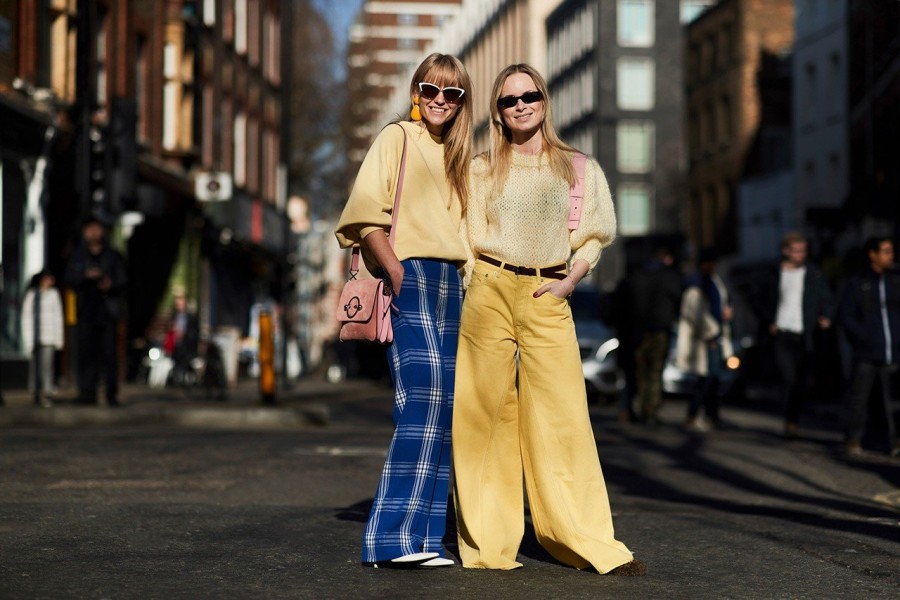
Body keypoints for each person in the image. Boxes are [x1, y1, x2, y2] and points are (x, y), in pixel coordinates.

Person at [453, 63, 644, 576]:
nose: (520, 106)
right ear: (497, 110)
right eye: (508, 100)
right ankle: (489, 545)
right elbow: (465, 235)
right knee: (484, 417)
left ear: (544, 100)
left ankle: (584, 540)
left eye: (528, 96)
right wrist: (476, 279)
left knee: (563, 418)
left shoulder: (577, 167)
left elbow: (596, 233)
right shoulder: (478, 168)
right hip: (489, 290)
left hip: (547, 293)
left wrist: (570, 280)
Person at [334, 53, 473, 569]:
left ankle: (424, 539)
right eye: (430, 90)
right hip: (412, 276)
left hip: (453, 285)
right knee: (422, 403)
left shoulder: (458, 154)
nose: (440, 100)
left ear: (462, 102)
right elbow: (365, 214)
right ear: (416, 92)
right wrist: (398, 273)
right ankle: (391, 539)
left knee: (444, 411)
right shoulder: (397, 137)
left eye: (452, 93)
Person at [759, 232, 834, 439]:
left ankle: (793, 420)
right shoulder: (774, 273)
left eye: (803, 250)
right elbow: (759, 299)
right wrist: (768, 322)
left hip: (804, 334)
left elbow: (826, 298)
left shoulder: (813, 273)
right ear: (786, 251)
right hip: (782, 334)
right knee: (788, 377)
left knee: (802, 380)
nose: (801, 254)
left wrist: (825, 316)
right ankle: (789, 420)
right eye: (796, 250)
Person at [837, 237, 900, 457]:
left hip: (893, 350)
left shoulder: (894, 281)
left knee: (892, 401)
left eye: (891, 251)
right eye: (885, 251)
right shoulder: (858, 283)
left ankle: (893, 441)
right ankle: (853, 438)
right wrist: (865, 337)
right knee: (859, 398)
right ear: (872, 254)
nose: (890, 256)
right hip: (866, 351)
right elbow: (846, 316)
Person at [64, 217, 127, 406]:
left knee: (109, 354)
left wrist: (110, 284)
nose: (93, 233)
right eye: (89, 229)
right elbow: (69, 279)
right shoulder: (78, 256)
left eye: (96, 229)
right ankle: (86, 392)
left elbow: (124, 280)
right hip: (86, 311)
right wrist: (84, 276)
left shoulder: (113, 256)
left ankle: (111, 393)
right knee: (85, 353)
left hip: (107, 311)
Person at [676, 247, 734, 432]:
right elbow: (696, 314)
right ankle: (695, 415)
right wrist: (712, 333)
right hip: (705, 340)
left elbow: (722, 302)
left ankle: (711, 415)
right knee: (706, 379)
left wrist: (727, 311)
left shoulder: (714, 281)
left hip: (716, 338)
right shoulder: (696, 284)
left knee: (713, 379)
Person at [628, 246, 683, 425]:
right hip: (660, 329)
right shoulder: (669, 276)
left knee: (642, 371)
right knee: (655, 371)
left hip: (639, 329)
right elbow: (677, 297)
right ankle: (651, 410)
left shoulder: (639, 274)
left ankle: (642, 407)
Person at [21, 270, 65, 406]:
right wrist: (28, 339)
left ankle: (47, 392)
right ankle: (36, 392)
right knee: (35, 366)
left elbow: (58, 317)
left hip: (49, 336)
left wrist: (59, 338)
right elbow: (26, 317)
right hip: (35, 337)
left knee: (47, 366)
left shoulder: (54, 294)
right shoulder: (32, 295)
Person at [164, 289, 200, 387]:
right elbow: (168, 331)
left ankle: (187, 382)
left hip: (187, 345)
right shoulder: (173, 316)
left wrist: (185, 334)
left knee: (186, 363)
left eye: (181, 303)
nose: (179, 305)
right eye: (177, 303)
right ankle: (176, 381)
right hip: (176, 345)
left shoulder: (191, 317)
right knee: (176, 363)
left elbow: (195, 332)